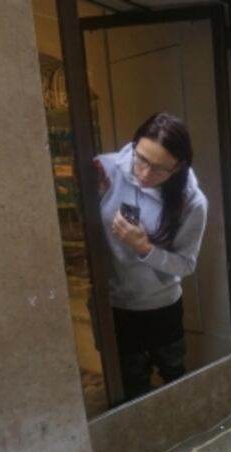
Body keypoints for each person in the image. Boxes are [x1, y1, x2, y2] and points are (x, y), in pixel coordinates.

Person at [95, 112, 207, 401]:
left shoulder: (191, 202)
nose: (144, 174)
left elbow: (186, 264)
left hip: (161, 305)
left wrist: (145, 248)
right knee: (131, 386)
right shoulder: (104, 170)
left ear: (179, 166)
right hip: (114, 304)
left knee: (174, 376)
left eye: (159, 169)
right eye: (141, 159)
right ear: (133, 145)